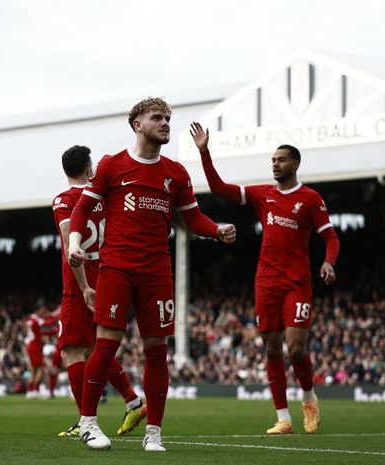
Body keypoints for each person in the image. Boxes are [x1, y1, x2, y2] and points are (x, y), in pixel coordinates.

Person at [67, 98, 236, 451]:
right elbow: (83, 207)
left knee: (157, 352)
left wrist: (216, 229)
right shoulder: (113, 165)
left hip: (157, 272)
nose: (165, 123)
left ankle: (154, 432)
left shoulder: (176, 173)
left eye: (168, 118)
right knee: (106, 344)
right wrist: (75, 243)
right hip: (116, 269)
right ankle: (88, 422)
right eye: (157, 117)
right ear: (137, 124)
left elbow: (193, 218)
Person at [190, 122, 340, 435]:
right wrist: (205, 152)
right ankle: (283, 419)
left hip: (297, 283)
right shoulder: (263, 194)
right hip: (266, 282)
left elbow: (331, 238)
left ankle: (309, 400)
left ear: (295, 164)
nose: (275, 163)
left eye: (281, 159)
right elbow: (220, 188)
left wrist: (328, 262)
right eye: (272, 159)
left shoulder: (310, 199)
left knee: (295, 347)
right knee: (272, 350)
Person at [52, 145, 147, 438]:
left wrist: (82, 288)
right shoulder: (103, 197)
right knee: (97, 346)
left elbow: (71, 243)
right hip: (109, 275)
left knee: (72, 350)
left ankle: (85, 421)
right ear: (88, 170)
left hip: (82, 283)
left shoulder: (64, 200)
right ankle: (133, 401)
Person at [24, 300, 59, 398]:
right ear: (39, 309)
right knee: (40, 369)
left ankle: (31, 391)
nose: (43, 312)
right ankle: (35, 390)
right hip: (35, 347)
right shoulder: (36, 319)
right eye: (43, 310)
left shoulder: (30, 318)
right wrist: (57, 315)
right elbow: (47, 323)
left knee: (34, 370)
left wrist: (53, 331)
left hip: (31, 346)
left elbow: (40, 332)